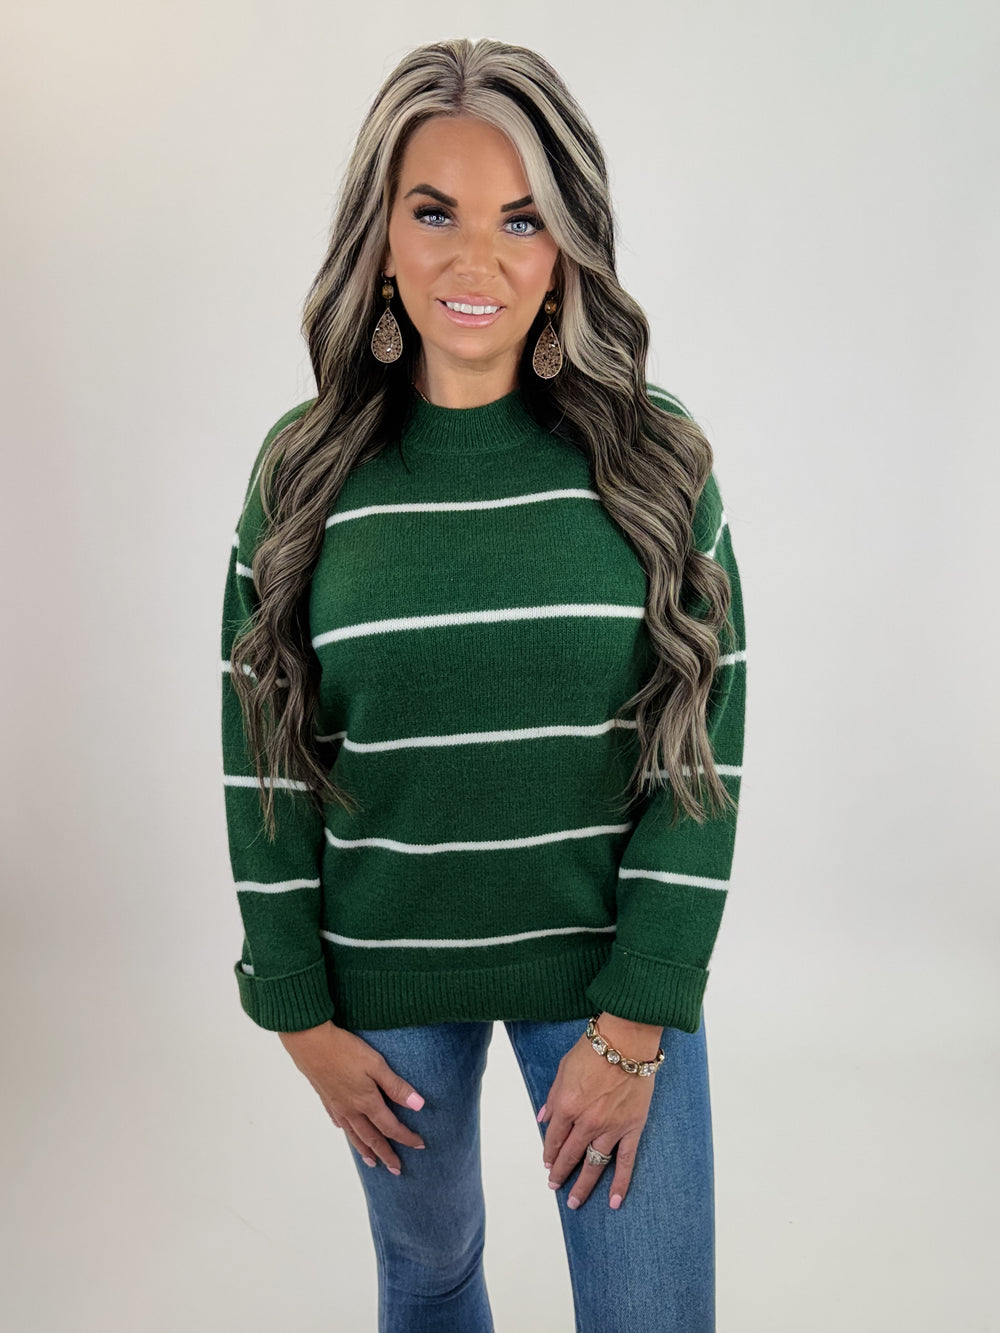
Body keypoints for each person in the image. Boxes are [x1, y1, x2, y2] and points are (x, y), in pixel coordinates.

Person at [219, 36, 746, 1333]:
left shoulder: (656, 461)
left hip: (609, 989)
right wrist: (295, 1009)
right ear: (379, 237)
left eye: (521, 219)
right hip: (382, 983)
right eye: (434, 212)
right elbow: (265, 750)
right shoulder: (304, 471)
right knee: (432, 1278)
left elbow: (703, 754)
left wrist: (636, 1020)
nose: (477, 260)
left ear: (566, 244)